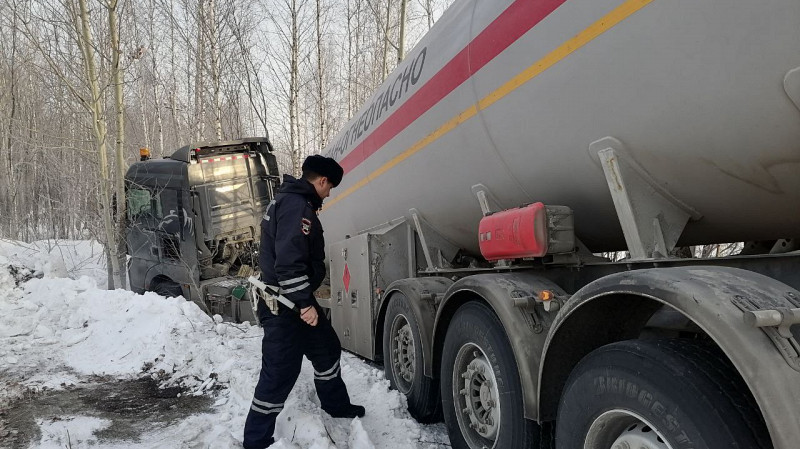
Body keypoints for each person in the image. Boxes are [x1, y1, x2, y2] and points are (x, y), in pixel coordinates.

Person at [243, 155, 365, 449]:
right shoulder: (297, 207)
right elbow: (288, 263)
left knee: (326, 349)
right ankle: (256, 440)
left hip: (294, 299)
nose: (329, 194)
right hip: (285, 304)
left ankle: (336, 405)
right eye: (330, 187)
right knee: (280, 372)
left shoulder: (292, 201)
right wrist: (305, 305)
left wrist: (304, 301)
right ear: (321, 181)